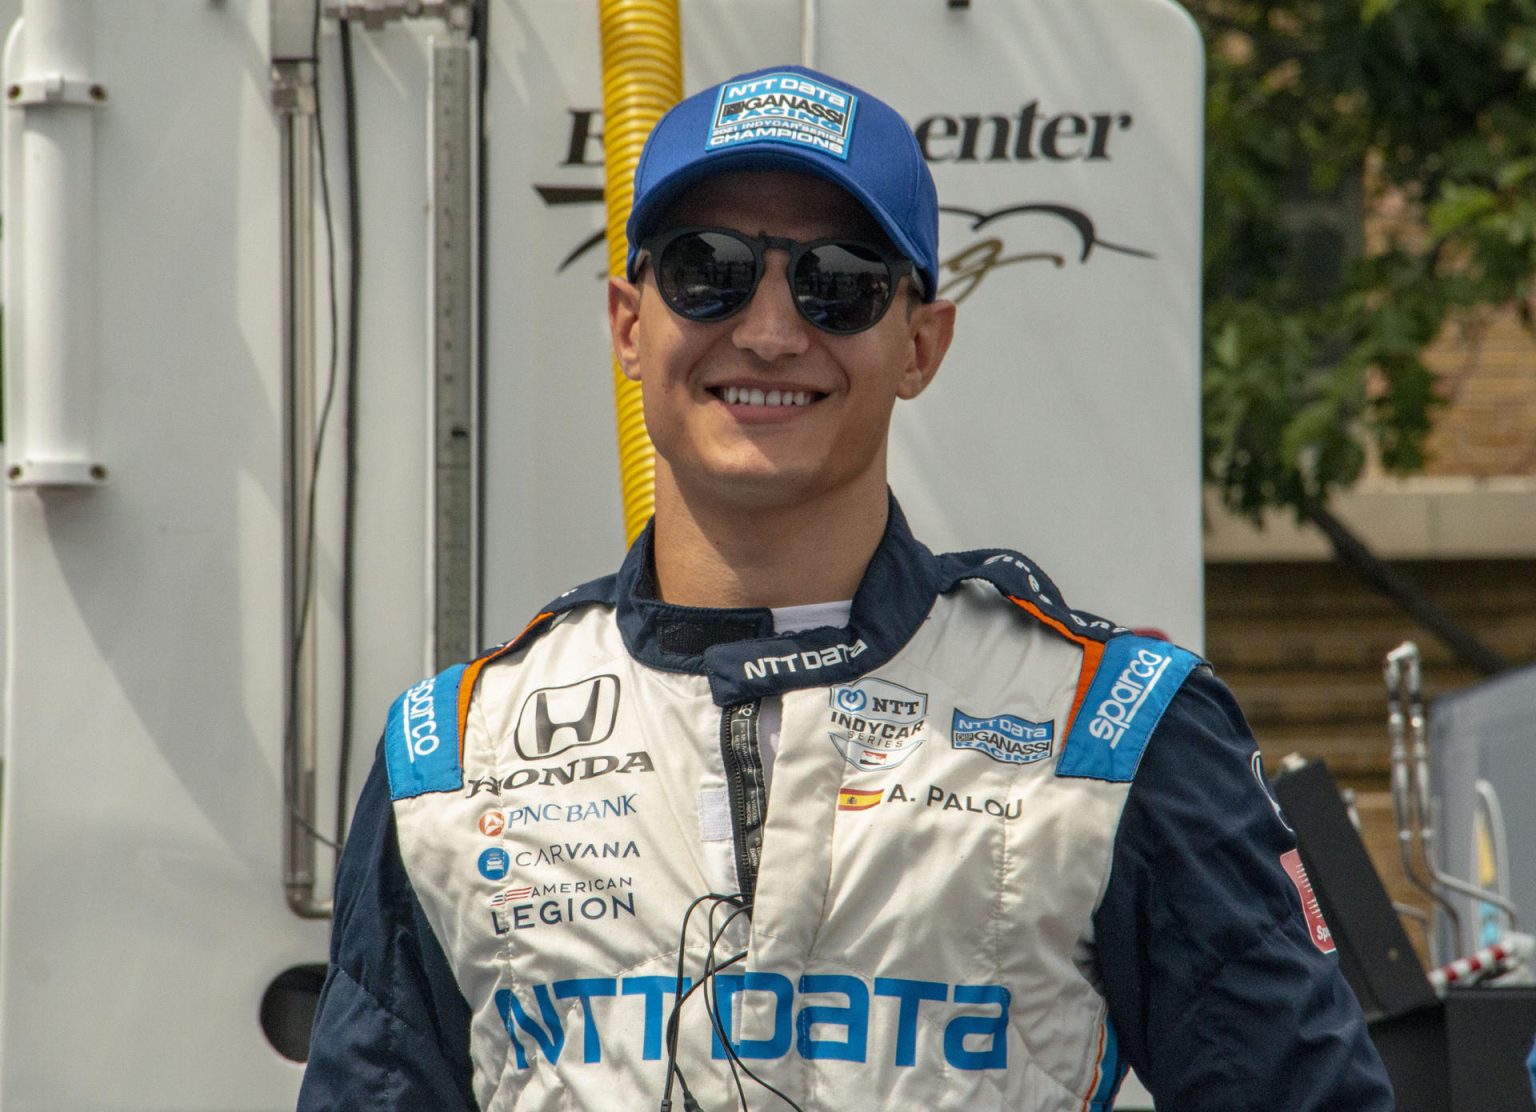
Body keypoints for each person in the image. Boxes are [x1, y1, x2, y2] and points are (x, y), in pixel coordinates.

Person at [299, 64, 1394, 1111]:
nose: (771, 332)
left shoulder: (1114, 725)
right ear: (631, 325)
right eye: (707, 269)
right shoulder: (454, 753)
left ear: (921, 342)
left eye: (839, 285)